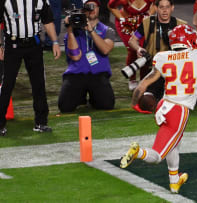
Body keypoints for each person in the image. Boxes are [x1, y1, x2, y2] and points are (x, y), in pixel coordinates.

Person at [119, 11, 197, 193]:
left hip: (163, 107)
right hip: (179, 111)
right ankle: (138, 152)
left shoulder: (163, 57)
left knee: (174, 143)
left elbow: (143, 85)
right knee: (157, 156)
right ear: (188, 39)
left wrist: (135, 104)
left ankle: (174, 181)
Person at [0, 0, 61, 136]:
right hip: (13, 44)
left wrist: (55, 42)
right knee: (7, 84)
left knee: (38, 83)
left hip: (34, 44)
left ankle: (41, 122)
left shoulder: (40, 0)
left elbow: (48, 20)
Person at [58, 0, 115, 112]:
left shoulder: (107, 30)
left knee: (107, 104)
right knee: (65, 107)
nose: (92, 9)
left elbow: (105, 49)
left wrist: (91, 31)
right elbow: (75, 56)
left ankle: (93, 98)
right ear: (83, 11)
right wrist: (70, 31)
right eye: (88, 7)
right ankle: (80, 97)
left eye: (94, 6)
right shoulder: (74, 31)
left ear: (99, 8)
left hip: (98, 73)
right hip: (76, 74)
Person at [128, 0, 186, 101]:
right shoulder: (147, 23)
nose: (164, 10)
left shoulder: (181, 25)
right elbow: (132, 40)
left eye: (167, 7)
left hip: (174, 72)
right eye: (161, 7)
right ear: (156, 8)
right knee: (147, 101)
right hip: (153, 70)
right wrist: (138, 48)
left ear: (172, 8)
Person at [108, 0, 155, 91]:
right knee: (133, 49)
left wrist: (149, 14)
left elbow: (157, 4)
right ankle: (132, 79)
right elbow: (111, 6)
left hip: (142, 21)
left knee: (145, 50)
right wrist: (122, 18)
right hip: (127, 23)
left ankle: (143, 79)